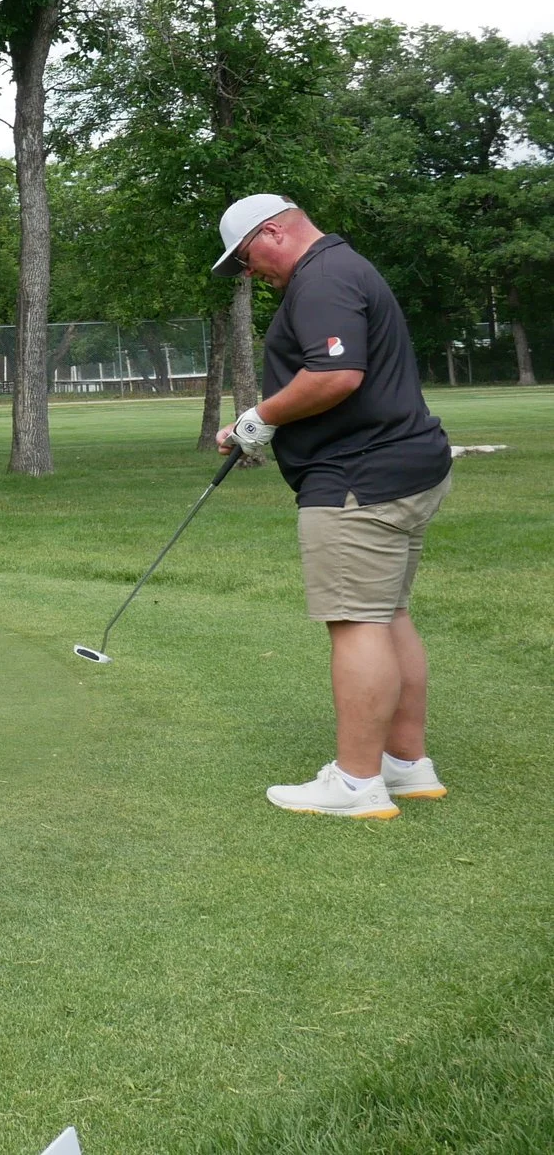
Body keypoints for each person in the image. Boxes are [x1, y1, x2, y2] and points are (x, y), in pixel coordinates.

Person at [212, 194, 453, 819]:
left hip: (357, 476)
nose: (249, 274)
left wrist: (259, 418)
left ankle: (354, 784)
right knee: (387, 614)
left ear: (272, 234)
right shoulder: (345, 267)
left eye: (244, 260)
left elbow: (335, 375)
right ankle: (406, 765)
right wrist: (259, 423)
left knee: (356, 622)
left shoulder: (321, 278)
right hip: (401, 465)